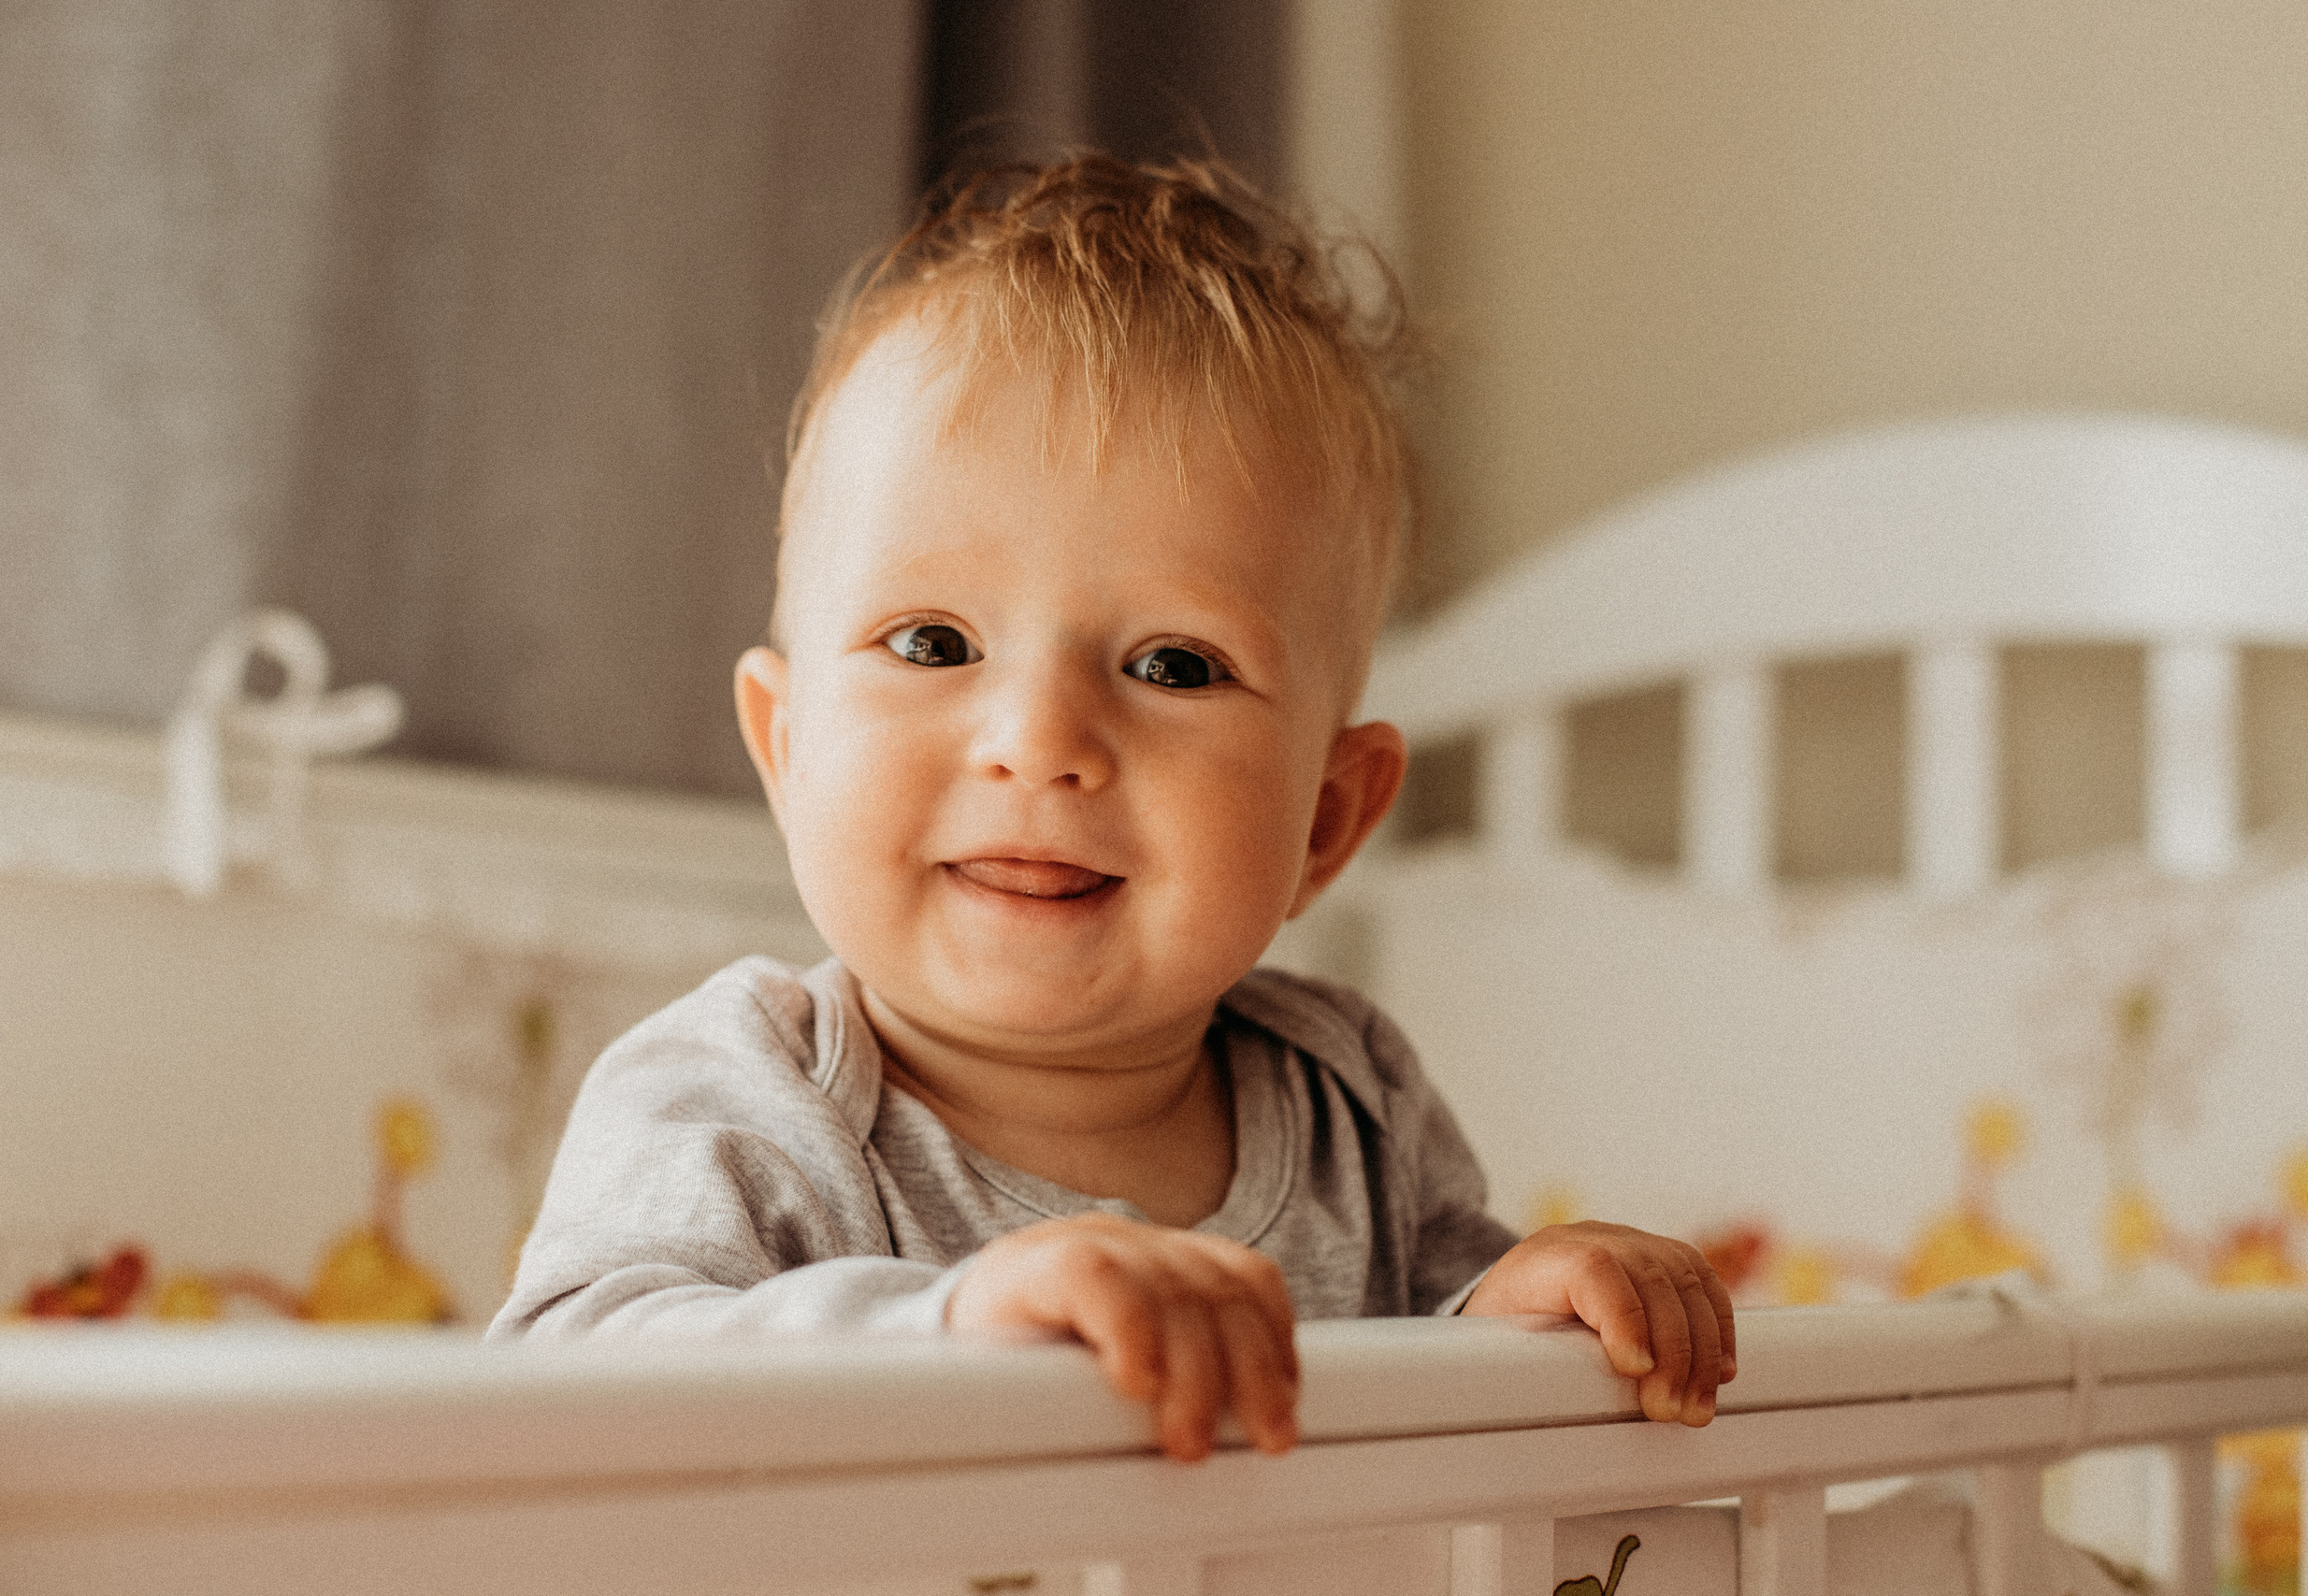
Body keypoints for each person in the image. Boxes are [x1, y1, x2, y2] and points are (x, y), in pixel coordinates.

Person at [491, 153, 1735, 1462]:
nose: (1040, 742)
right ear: (786, 746)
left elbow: (1450, 1425)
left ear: (1326, 818)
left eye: (1172, 666)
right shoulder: (742, 1092)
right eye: (931, 643)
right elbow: (564, 1387)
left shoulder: (1353, 1103)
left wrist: (1520, 1315)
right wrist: (947, 1327)